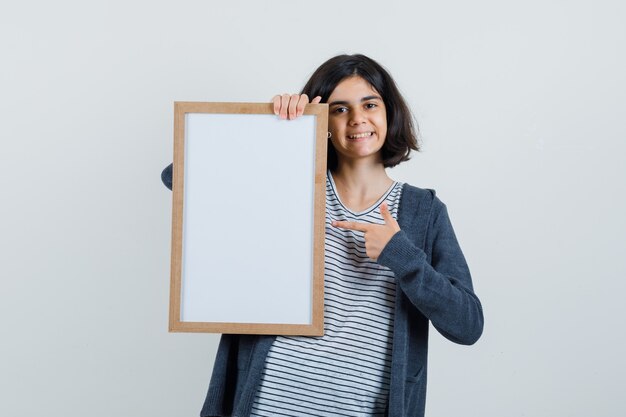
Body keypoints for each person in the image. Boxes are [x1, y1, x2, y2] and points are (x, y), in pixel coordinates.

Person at [161, 54, 484, 417]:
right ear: (324, 121)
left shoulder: (423, 212)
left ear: (389, 112)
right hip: (265, 405)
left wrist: (403, 256)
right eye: (340, 109)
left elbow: (467, 324)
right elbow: (178, 177)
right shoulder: (289, 184)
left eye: (370, 104)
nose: (358, 118)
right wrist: (271, 131)